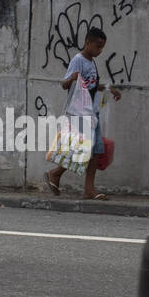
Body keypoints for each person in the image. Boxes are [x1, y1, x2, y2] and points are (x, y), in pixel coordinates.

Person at [46, 27, 121, 200]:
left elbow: (92, 86)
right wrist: (71, 78)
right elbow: (64, 84)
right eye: (98, 46)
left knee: (90, 150)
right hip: (80, 113)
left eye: (102, 47)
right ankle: (60, 176)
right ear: (88, 42)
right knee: (87, 150)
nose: (100, 50)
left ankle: (69, 180)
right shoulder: (78, 60)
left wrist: (110, 89)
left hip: (91, 112)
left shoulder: (92, 62)